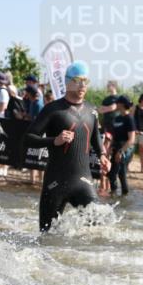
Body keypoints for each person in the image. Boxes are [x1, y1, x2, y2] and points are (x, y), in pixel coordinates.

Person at [24, 61, 110, 232]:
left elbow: (95, 138)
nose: (83, 85)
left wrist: (102, 155)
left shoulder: (92, 110)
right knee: (46, 236)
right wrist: (54, 141)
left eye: (86, 81)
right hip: (55, 182)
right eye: (78, 81)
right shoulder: (53, 110)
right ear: (68, 82)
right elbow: (28, 138)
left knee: (99, 227)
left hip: (83, 181)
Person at [108, 95, 136, 196]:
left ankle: (125, 195)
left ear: (122, 104)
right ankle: (113, 194)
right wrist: (109, 148)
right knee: (111, 174)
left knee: (121, 173)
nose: (116, 104)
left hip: (126, 148)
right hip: (116, 146)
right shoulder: (117, 118)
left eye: (117, 103)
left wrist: (121, 151)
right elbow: (113, 136)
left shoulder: (129, 119)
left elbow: (131, 139)